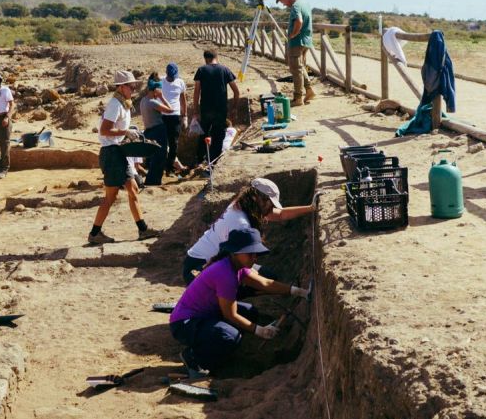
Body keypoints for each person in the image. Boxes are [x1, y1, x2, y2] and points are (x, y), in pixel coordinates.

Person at [169, 228, 309, 376]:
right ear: (236, 252)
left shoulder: (236, 266)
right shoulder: (225, 274)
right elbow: (230, 315)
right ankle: (194, 358)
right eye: (250, 253)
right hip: (185, 324)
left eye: (255, 253)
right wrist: (259, 330)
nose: (254, 258)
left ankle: (222, 349)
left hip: (206, 314)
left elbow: (265, 283)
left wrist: (298, 291)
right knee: (230, 336)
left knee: (250, 313)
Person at [181, 178, 317, 284]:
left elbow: (280, 214)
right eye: (270, 203)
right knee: (255, 283)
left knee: (269, 277)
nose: (271, 208)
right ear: (256, 198)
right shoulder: (241, 225)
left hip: (212, 261)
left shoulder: (243, 205)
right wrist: (289, 290)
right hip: (199, 268)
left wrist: (311, 208)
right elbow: (241, 265)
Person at [88, 70, 161, 245]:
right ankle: (94, 233)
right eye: (131, 85)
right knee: (111, 196)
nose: (134, 87)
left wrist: (129, 133)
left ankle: (143, 229)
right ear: (121, 87)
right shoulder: (115, 105)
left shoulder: (123, 103)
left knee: (133, 188)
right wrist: (126, 132)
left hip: (117, 152)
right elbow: (104, 130)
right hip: (112, 153)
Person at [191, 50, 239, 172]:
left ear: (206, 59)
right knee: (218, 137)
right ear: (216, 57)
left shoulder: (201, 70)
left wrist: (196, 111)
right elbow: (236, 91)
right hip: (220, 110)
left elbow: (196, 92)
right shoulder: (225, 70)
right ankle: (213, 164)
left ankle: (200, 161)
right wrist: (234, 108)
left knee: (204, 133)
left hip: (206, 109)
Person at [276, 0, 314, 107]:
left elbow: (299, 21)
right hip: (306, 41)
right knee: (300, 67)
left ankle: (298, 98)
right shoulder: (305, 4)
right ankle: (309, 90)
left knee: (295, 70)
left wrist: (293, 34)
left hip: (297, 42)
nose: (283, 4)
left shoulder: (295, 6)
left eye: (282, 1)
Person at [138, 74, 175, 186]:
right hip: (158, 130)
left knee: (154, 157)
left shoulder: (143, 100)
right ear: (155, 90)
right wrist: (162, 97)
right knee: (160, 157)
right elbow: (170, 109)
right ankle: (153, 182)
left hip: (148, 131)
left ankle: (151, 180)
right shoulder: (152, 102)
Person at [160, 62, 189, 176]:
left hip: (175, 116)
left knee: (174, 144)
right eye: (170, 76)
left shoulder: (180, 82)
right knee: (162, 143)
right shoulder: (161, 81)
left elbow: (183, 100)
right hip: (162, 116)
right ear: (167, 73)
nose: (172, 79)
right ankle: (163, 167)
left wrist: (185, 116)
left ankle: (169, 168)